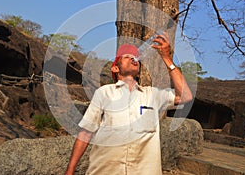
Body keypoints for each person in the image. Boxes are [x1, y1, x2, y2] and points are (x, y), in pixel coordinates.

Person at [65, 31, 192, 175]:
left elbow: (186, 96)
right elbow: (86, 132)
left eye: (135, 58)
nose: (133, 59)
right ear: (116, 68)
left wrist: (166, 58)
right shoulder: (104, 92)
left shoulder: (153, 94)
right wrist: (70, 170)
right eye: (127, 57)